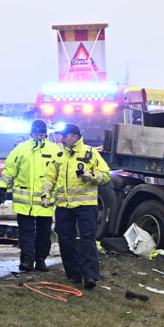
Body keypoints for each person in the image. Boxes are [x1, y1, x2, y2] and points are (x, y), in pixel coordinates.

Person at [42, 123, 110, 289]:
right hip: (64, 205)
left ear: (74, 137)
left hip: (85, 205)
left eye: (65, 136)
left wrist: (91, 176)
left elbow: (106, 175)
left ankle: (90, 276)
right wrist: (45, 195)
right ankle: (73, 275)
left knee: (87, 239)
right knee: (65, 240)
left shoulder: (90, 153)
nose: (62, 139)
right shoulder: (58, 154)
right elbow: (49, 177)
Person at [0, 120, 60, 272]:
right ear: (31, 133)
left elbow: (59, 174)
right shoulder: (21, 149)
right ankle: (26, 260)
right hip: (24, 203)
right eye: (36, 133)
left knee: (44, 234)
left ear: (46, 133)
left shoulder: (55, 150)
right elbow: (10, 169)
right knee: (26, 234)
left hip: (45, 202)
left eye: (41, 133)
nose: (39, 135)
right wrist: (2, 187)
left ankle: (40, 260)